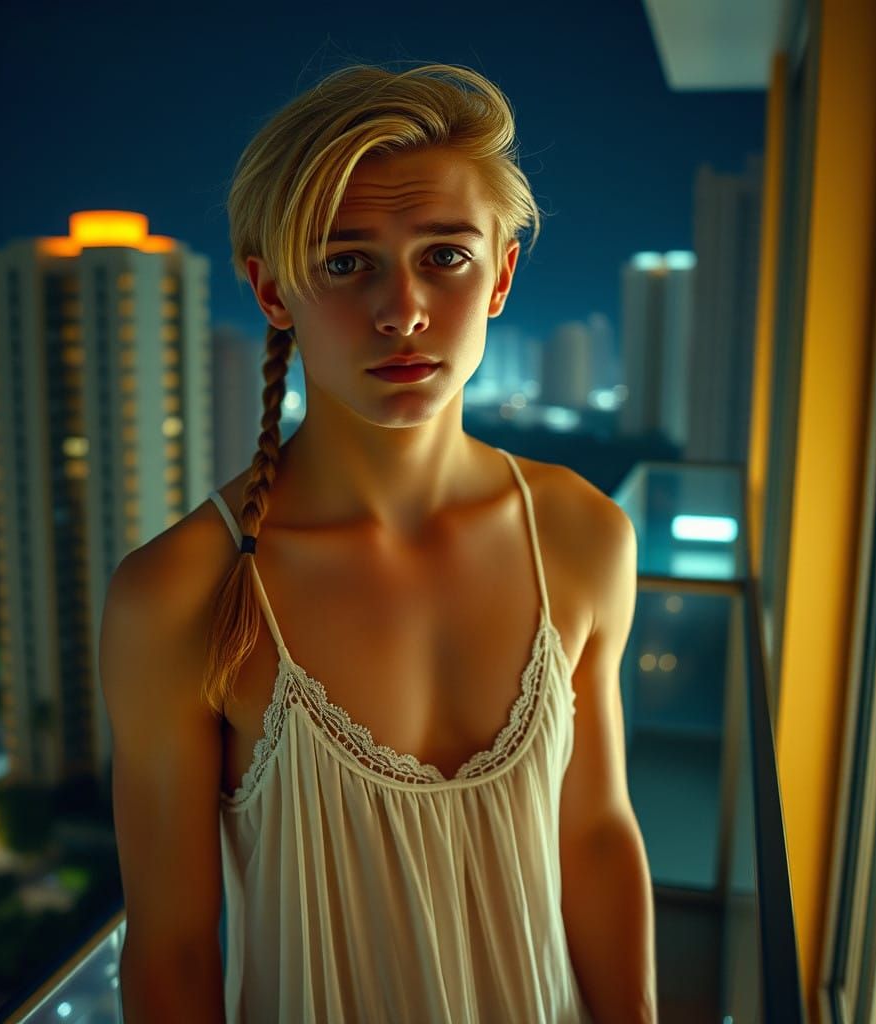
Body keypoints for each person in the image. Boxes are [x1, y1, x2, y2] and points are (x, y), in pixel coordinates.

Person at [99, 61, 657, 1023]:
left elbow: (598, 839)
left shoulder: (579, 534)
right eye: (346, 261)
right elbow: (172, 950)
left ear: (502, 276)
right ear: (270, 290)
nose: (402, 310)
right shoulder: (182, 592)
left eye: (444, 255)